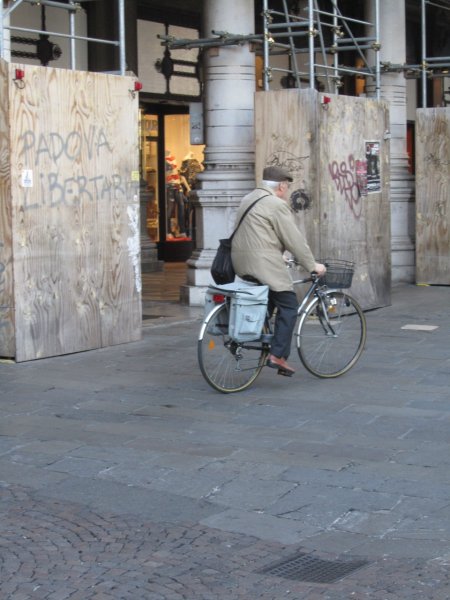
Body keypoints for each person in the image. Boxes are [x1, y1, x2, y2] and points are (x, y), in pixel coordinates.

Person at [231, 166, 326, 376]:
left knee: (270, 299)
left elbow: (257, 232)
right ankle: (278, 355)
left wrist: (278, 252)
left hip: (240, 261)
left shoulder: (248, 198)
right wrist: (312, 265)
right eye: (287, 186)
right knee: (289, 304)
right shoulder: (276, 204)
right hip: (262, 263)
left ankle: (260, 334)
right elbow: (294, 240)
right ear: (282, 186)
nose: (287, 189)